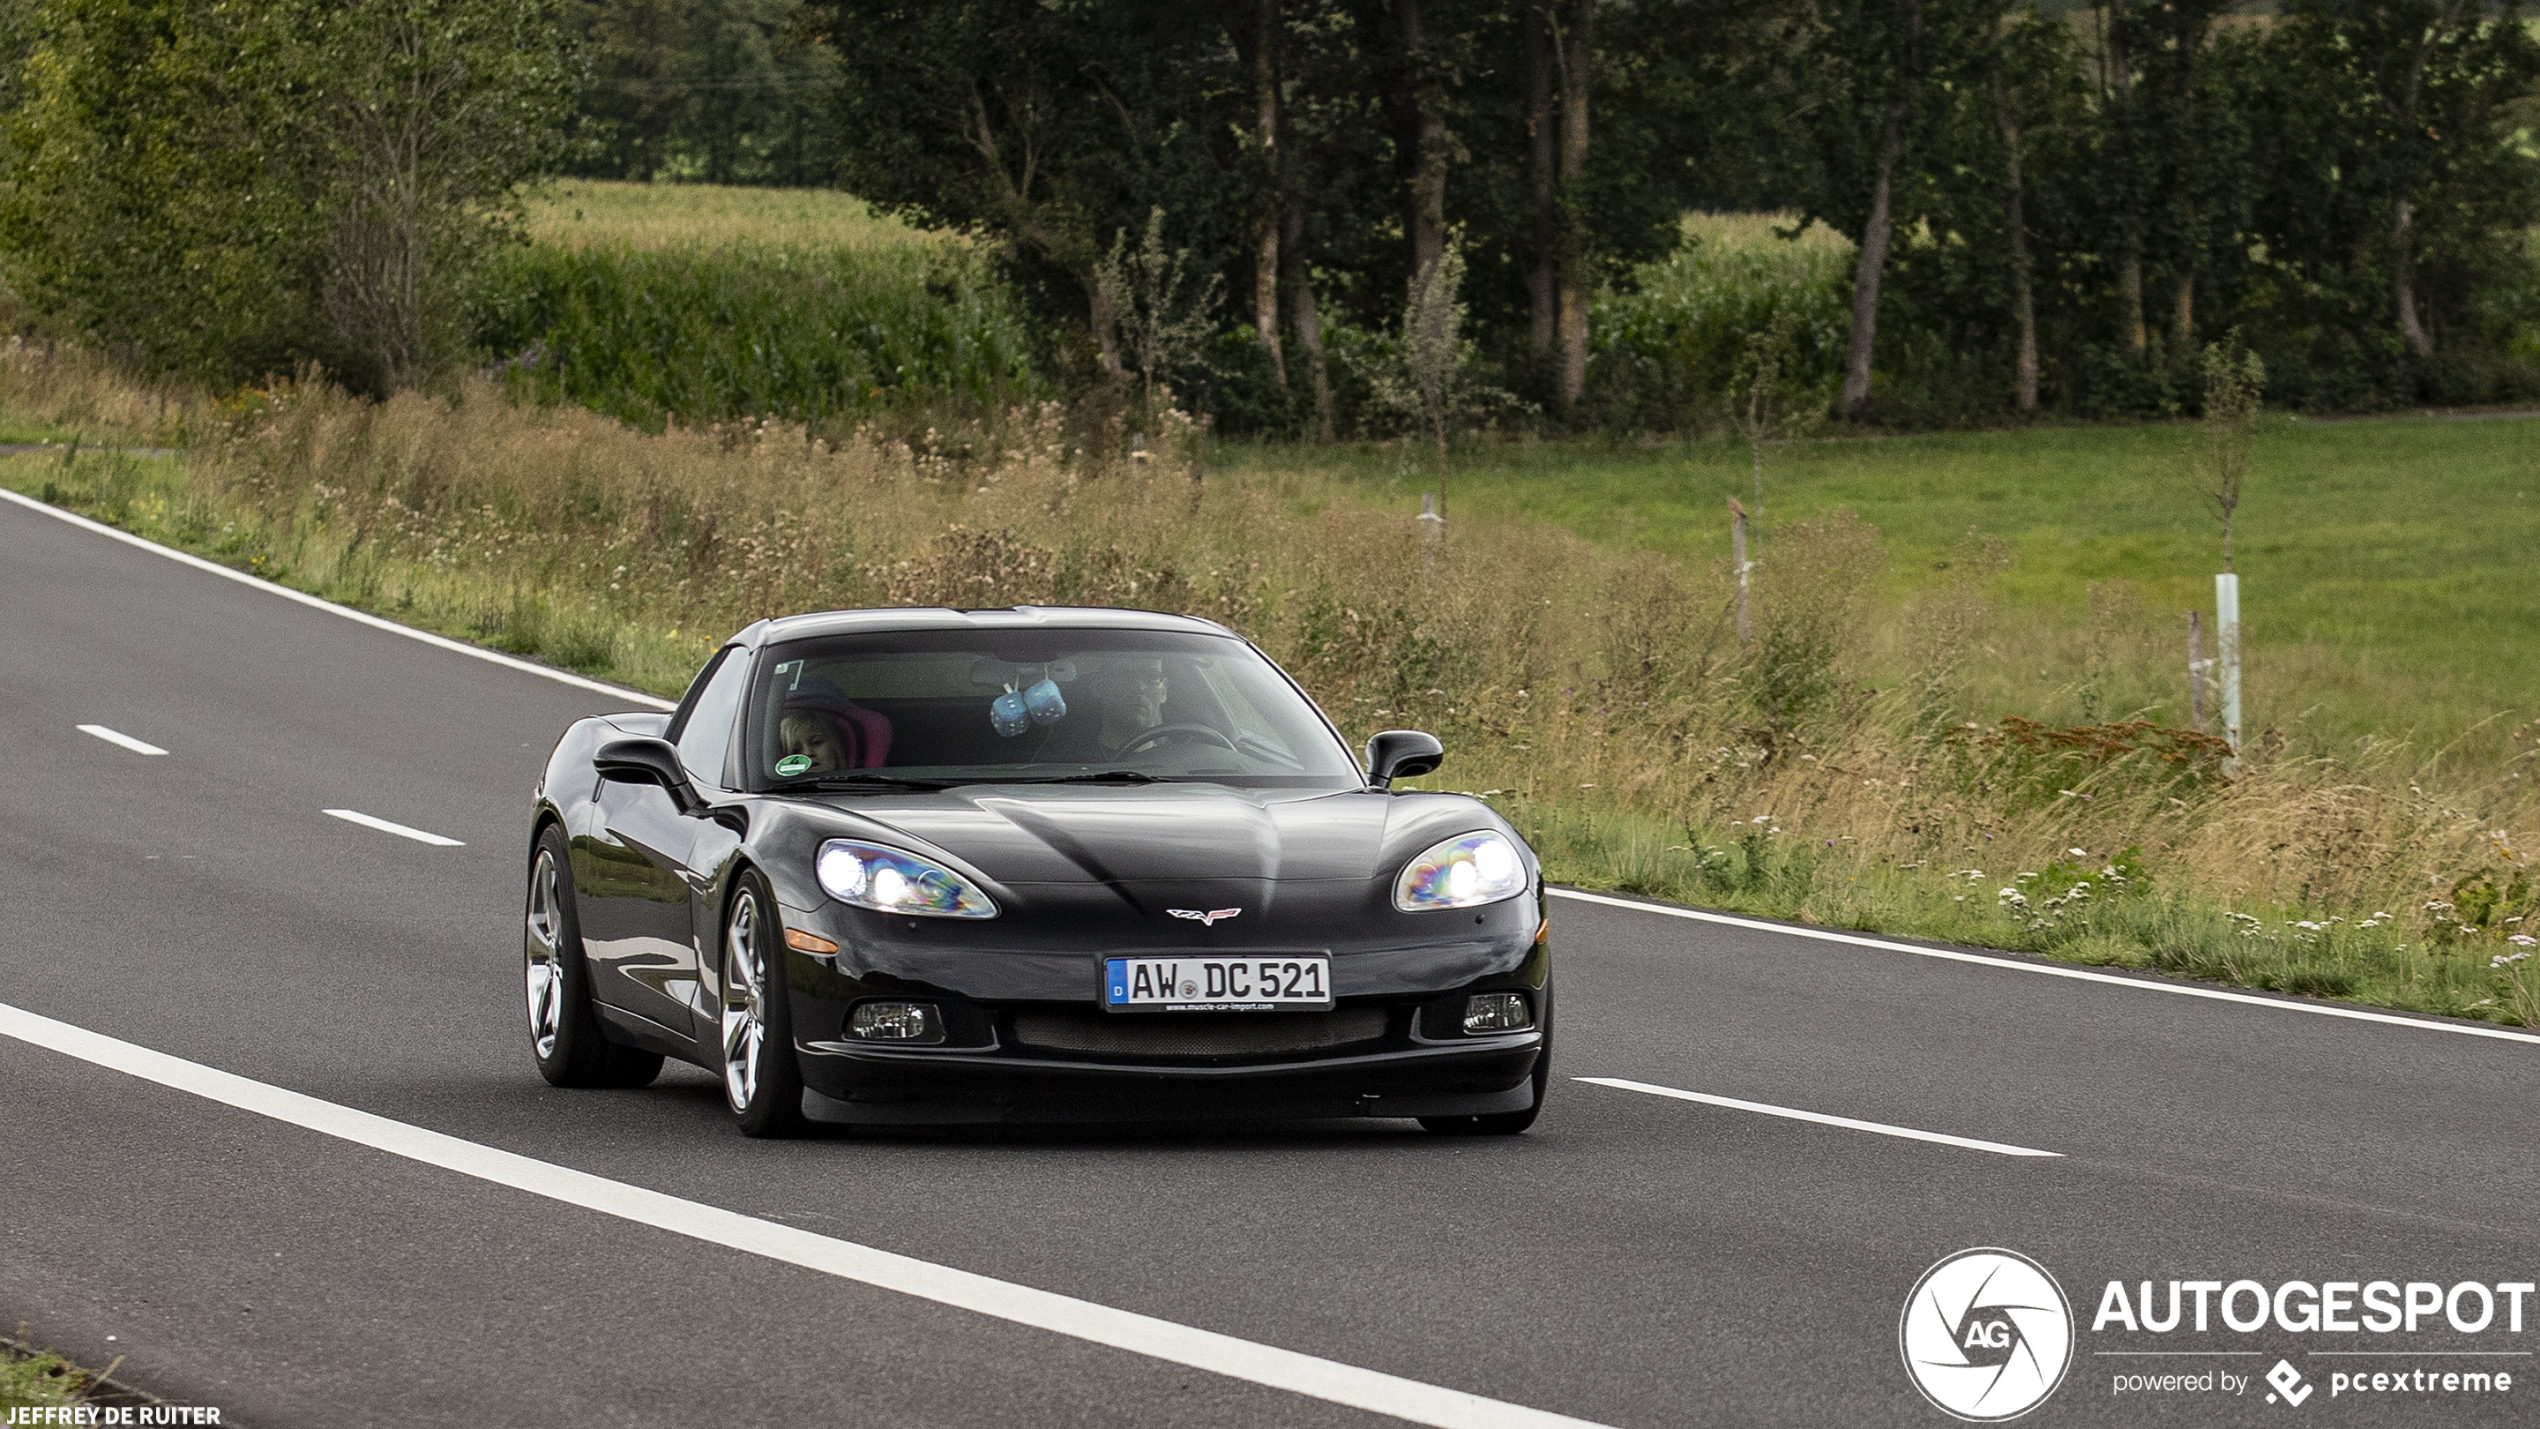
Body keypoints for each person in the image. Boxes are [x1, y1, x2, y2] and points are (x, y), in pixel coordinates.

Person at [1099, 658, 1171, 754]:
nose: (1139, 688)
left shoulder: (1178, 762)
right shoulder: (1073, 762)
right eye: (1124, 676)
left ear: (1164, 692)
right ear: (1100, 686)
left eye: (1152, 676)